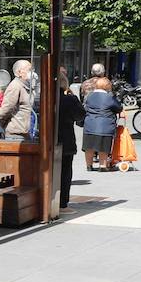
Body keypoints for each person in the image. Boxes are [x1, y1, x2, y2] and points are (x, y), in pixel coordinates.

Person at [57, 68, 85, 213]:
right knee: (65, 172)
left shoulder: (43, 98)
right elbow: (80, 116)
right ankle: (62, 203)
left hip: (46, 139)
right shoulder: (70, 99)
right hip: (66, 140)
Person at [82, 76, 122, 172]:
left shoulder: (89, 96)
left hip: (90, 125)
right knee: (103, 147)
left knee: (89, 147)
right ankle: (102, 165)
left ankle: (89, 165)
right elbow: (118, 108)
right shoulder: (109, 97)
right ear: (107, 86)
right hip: (104, 126)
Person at [0, 60, 36, 140]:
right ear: (19, 72)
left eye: (32, 70)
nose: (32, 73)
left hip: (25, 134)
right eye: (29, 70)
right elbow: (7, 108)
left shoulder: (26, 86)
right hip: (16, 135)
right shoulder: (15, 86)